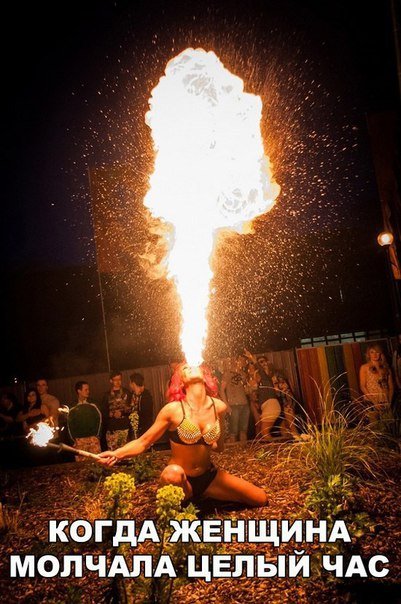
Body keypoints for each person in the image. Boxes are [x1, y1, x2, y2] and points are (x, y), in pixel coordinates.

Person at [99, 362, 268, 507]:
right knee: (172, 473)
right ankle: (185, 500)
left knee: (260, 498)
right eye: (185, 368)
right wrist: (116, 454)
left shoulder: (219, 407)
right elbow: (144, 441)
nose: (191, 367)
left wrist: (211, 439)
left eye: (194, 366)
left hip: (208, 477)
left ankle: (201, 497)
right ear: (181, 382)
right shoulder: (173, 410)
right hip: (181, 480)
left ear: (204, 375)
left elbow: (219, 448)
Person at [359, 344, 394, 424]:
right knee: (375, 426)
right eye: (372, 352)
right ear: (368, 354)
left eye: (377, 352)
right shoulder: (364, 368)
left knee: (388, 425)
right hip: (371, 401)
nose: (375, 355)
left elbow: (391, 387)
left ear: (381, 353)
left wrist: (389, 401)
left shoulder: (386, 368)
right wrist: (374, 403)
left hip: (385, 400)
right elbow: (362, 386)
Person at [68, 381, 102, 460]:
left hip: (93, 439)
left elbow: (99, 420)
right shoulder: (72, 407)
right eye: (86, 390)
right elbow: (69, 425)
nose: (88, 391)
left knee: (97, 462)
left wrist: (97, 436)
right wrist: (73, 440)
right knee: (81, 463)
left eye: (88, 389)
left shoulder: (93, 404)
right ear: (79, 391)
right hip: (79, 441)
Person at [221, 357, 250, 443]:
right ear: (236, 361)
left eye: (244, 360)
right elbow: (221, 390)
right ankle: (234, 449)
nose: (243, 362)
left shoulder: (243, 374)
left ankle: (244, 449)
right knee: (233, 431)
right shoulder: (227, 373)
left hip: (244, 404)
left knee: (244, 430)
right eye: (241, 360)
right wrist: (226, 405)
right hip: (233, 405)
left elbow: (246, 389)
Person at [101, 371, 132, 450]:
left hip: (125, 427)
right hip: (112, 429)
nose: (118, 382)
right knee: (113, 452)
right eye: (115, 380)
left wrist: (122, 413)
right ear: (111, 381)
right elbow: (103, 411)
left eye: (119, 379)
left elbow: (132, 408)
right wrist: (111, 414)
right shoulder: (106, 395)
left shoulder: (127, 392)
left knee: (126, 451)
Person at [129, 373, 154, 437]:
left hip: (145, 429)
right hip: (134, 428)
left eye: (130, 383)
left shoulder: (146, 395)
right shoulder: (132, 395)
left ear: (133, 383)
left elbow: (147, 414)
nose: (129, 385)